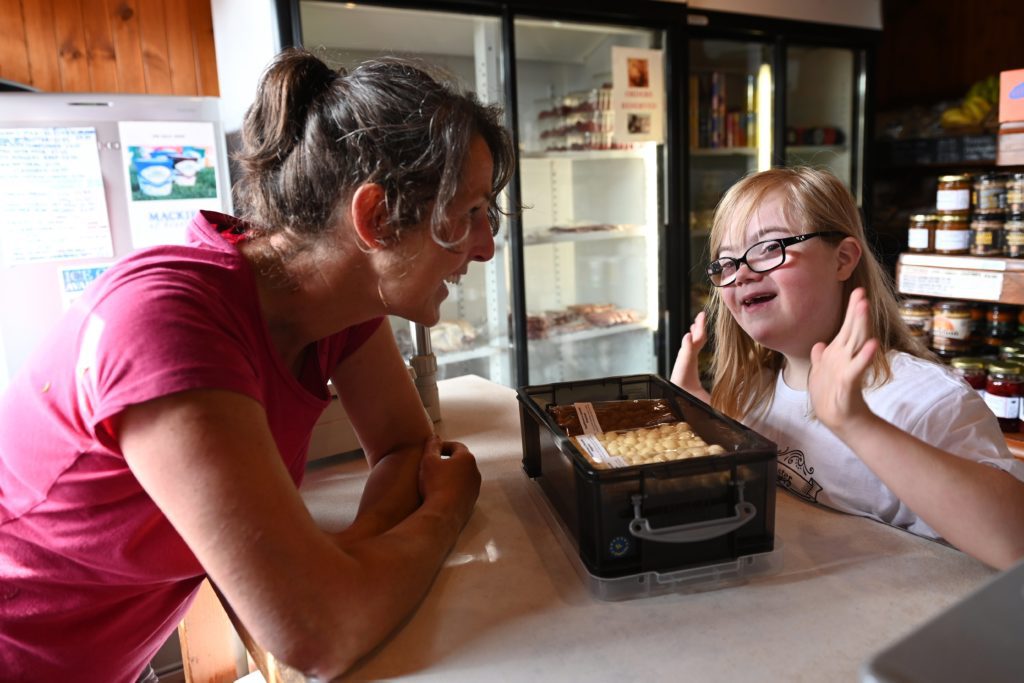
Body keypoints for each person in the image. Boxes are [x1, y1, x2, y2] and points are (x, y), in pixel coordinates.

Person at [0, 48, 515, 682]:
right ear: (376, 218)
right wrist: (442, 514)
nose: (487, 248)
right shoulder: (170, 324)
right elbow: (317, 635)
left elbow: (408, 451)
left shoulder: (340, 303)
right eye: (468, 215)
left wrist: (352, 554)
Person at [670, 166, 1024, 571]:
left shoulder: (926, 401)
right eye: (726, 262)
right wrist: (702, 416)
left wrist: (855, 423)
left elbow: (1015, 542)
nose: (741, 274)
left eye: (769, 248)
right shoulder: (754, 392)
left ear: (842, 259)